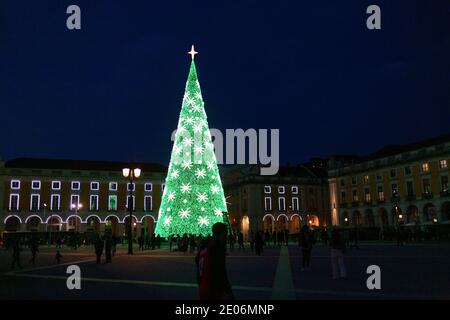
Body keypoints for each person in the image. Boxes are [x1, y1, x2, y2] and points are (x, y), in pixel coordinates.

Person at [196, 222, 234, 300]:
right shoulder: (217, 249)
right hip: (214, 291)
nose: (226, 237)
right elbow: (220, 272)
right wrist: (228, 291)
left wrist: (201, 284)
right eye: (225, 234)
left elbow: (198, 265)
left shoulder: (204, 247)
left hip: (203, 288)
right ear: (219, 234)